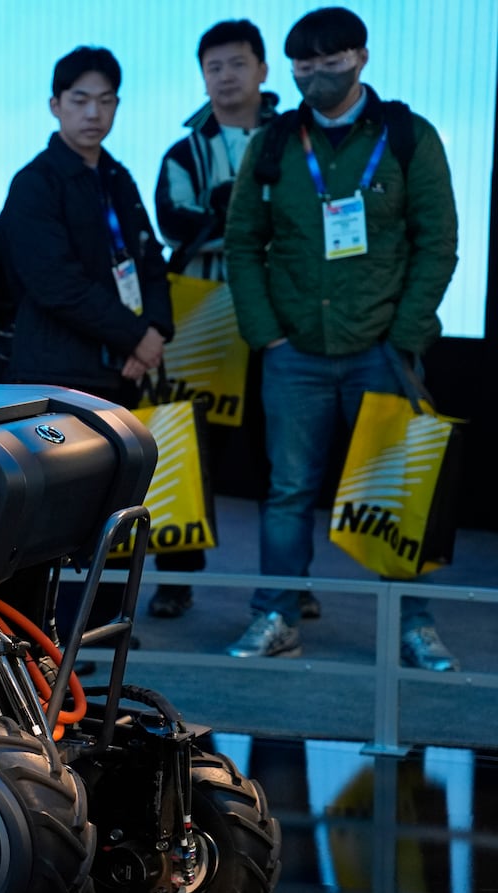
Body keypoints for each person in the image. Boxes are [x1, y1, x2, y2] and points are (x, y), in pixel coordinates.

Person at [223, 7, 459, 669]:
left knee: (395, 495)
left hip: (383, 349)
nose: (317, 74)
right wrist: (265, 335)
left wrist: (407, 334)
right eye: (304, 64)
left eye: (331, 61)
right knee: (288, 492)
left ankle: (414, 625)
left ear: (360, 57)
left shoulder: (410, 136)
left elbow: (436, 243)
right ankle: (275, 616)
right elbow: (244, 243)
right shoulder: (273, 143)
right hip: (293, 352)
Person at [0, 46, 173, 646]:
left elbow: (149, 261)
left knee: (111, 508)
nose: (93, 113)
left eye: (105, 101)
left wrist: (154, 335)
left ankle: (95, 627)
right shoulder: (35, 182)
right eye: (80, 100)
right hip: (56, 374)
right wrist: (136, 335)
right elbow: (54, 283)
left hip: (117, 367)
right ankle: (39, 637)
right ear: (55, 105)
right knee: (55, 517)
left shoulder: (117, 175)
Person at [146, 19, 281, 621]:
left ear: (262, 69)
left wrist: (226, 216)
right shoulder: (182, 149)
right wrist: (243, 217)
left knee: (279, 454)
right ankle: (177, 577)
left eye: (237, 64)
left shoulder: (293, 137)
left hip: (279, 314)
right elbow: (174, 222)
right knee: (187, 448)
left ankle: (286, 587)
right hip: (200, 315)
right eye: (214, 67)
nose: (225, 77)